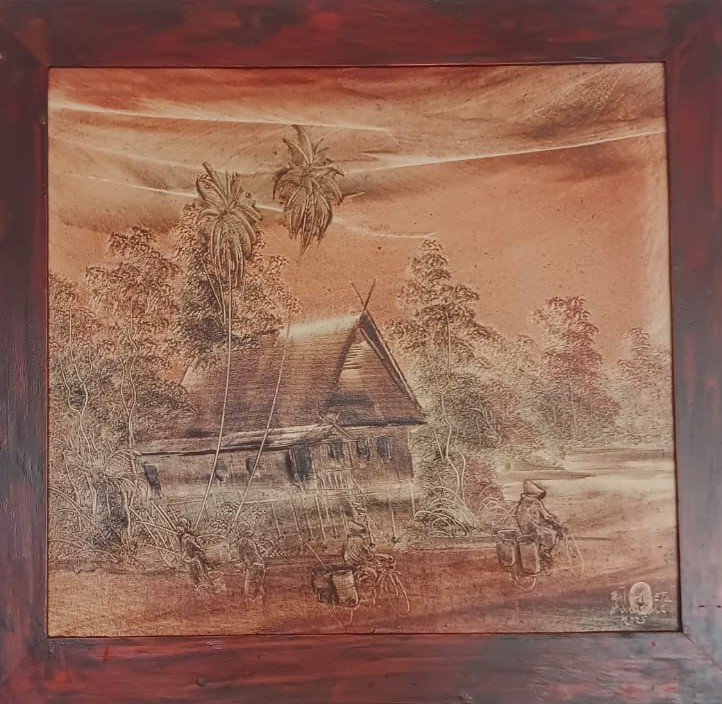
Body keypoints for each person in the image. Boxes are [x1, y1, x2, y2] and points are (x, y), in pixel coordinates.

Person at [515, 480, 564, 573]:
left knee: (545, 533)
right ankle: (545, 553)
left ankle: (542, 554)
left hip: (524, 528)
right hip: (533, 528)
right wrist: (555, 521)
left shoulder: (522, 502)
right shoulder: (536, 502)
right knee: (551, 534)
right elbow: (546, 516)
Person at [236, 524, 265, 605]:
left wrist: (247, 566)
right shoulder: (251, 541)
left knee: (248, 586)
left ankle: (250, 604)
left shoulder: (242, 541)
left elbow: (243, 556)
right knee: (259, 585)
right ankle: (262, 604)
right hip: (260, 564)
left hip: (253, 565)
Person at [176, 517, 210, 587]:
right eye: (186, 525)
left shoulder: (183, 535)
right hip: (188, 557)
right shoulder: (186, 537)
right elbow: (194, 545)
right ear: (184, 526)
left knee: (197, 563)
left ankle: (200, 580)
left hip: (188, 556)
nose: (188, 526)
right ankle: (202, 579)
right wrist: (201, 549)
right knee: (198, 562)